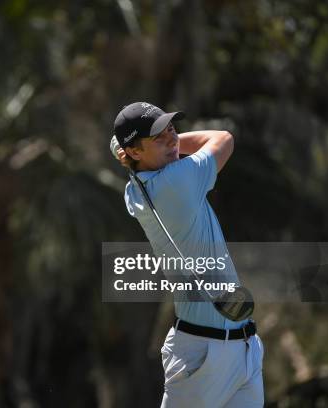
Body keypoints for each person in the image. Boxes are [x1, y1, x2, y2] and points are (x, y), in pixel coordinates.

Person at [110, 102, 264, 407]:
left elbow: (131, 151)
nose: (172, 139)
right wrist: (174, 144)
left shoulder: (137, 187)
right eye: (159, 137)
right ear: (136, 153)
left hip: (242, 347)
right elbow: (223, 138)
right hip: (201, 354)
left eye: (171, 129)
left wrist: (140, 147)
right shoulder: (178, 180)